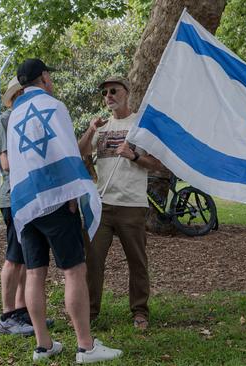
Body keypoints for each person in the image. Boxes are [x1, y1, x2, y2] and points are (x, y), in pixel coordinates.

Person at [7, 59, 122, 363]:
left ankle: (43, 345)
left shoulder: (13, 114)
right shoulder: (53, 106)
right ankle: (86, 346)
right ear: (44, 77)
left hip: (25, 203)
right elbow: (66, 152)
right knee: (74, 271)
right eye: (50, 76)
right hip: (55, 200)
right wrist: (72, 190)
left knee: (34, 274)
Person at [78, 76, 163, 330]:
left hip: (132, 206)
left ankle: (140, 312)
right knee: (92, 261)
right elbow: (80, 151)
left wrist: (134, 155)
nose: (108, 96)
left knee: (137, 261)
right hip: (102, 205)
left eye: (113, 91)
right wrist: (92, 129)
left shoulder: (140, 125)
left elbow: (158, 164)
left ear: (127, 93)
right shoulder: (101, 127)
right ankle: (90, 313)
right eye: (104, 93)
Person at [0, 76, 47, 336]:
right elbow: (6, 164)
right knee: (14, 258)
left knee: (26, 257)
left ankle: (22, 311)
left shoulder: (29, 117)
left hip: (31, 195)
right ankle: (7, 316)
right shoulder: (4, 121)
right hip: (14, 196)